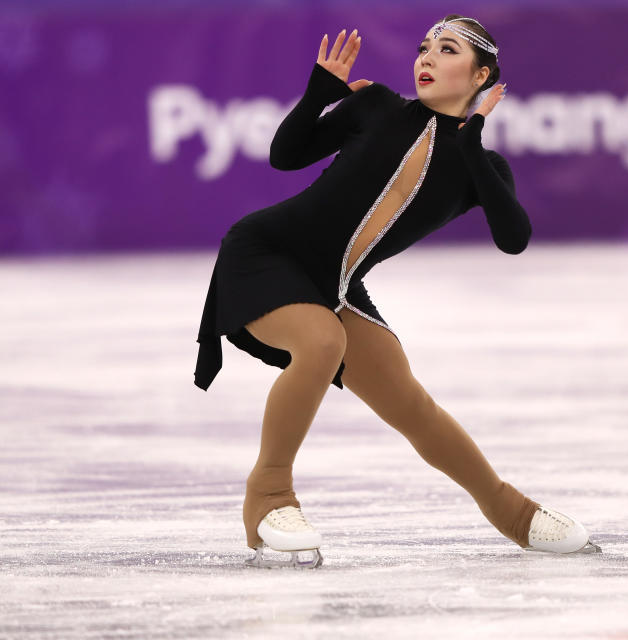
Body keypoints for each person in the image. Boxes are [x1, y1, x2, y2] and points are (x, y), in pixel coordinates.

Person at [193, 15, 600, 568]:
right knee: (320, 343)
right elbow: (285, 156)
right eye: (424, 47)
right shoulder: (377, 105)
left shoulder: (481, 165)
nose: (427, 57)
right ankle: (268, 496)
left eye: (447, 49)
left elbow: (514, 239)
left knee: (408, 400)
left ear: (481, 75)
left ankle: (512, 512)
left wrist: (472, 140)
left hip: (334, 282)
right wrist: (321, 91)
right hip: (267, 252)